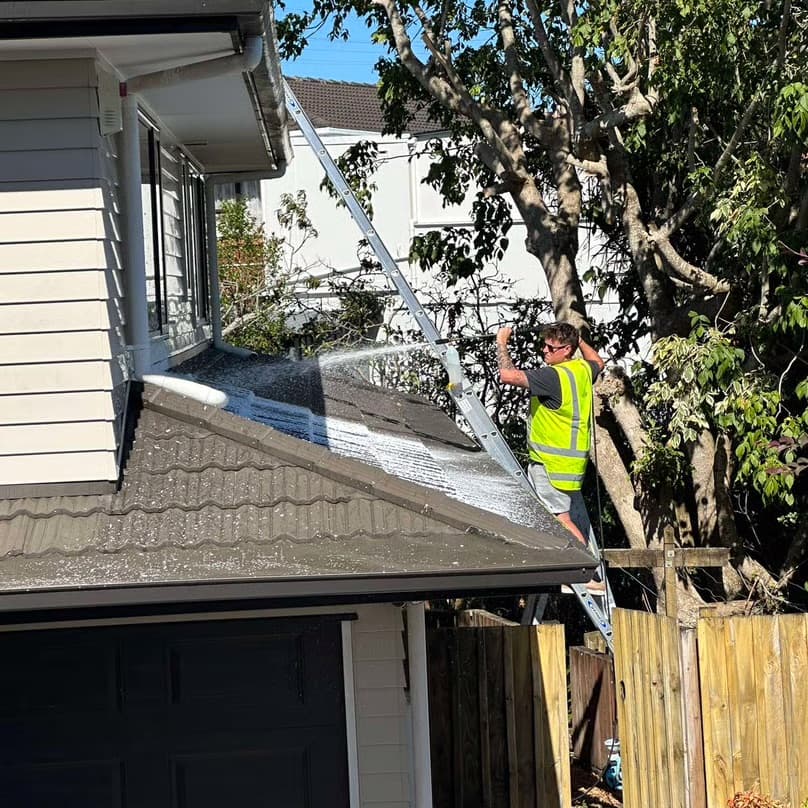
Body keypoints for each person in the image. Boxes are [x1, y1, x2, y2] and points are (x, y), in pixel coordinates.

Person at [496, 322, 605, 547]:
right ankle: (585, 574)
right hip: (570, 466)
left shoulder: (553, 377)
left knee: (561, 521)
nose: (545, 351)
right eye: (544, 346)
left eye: (551, 348)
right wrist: (578, 340)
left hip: (551, 465)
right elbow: (598, 363)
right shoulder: (582, 370)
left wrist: (502, 343)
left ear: (566, 350)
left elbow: (507, 375)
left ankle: (588, 573)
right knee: (565, 517)